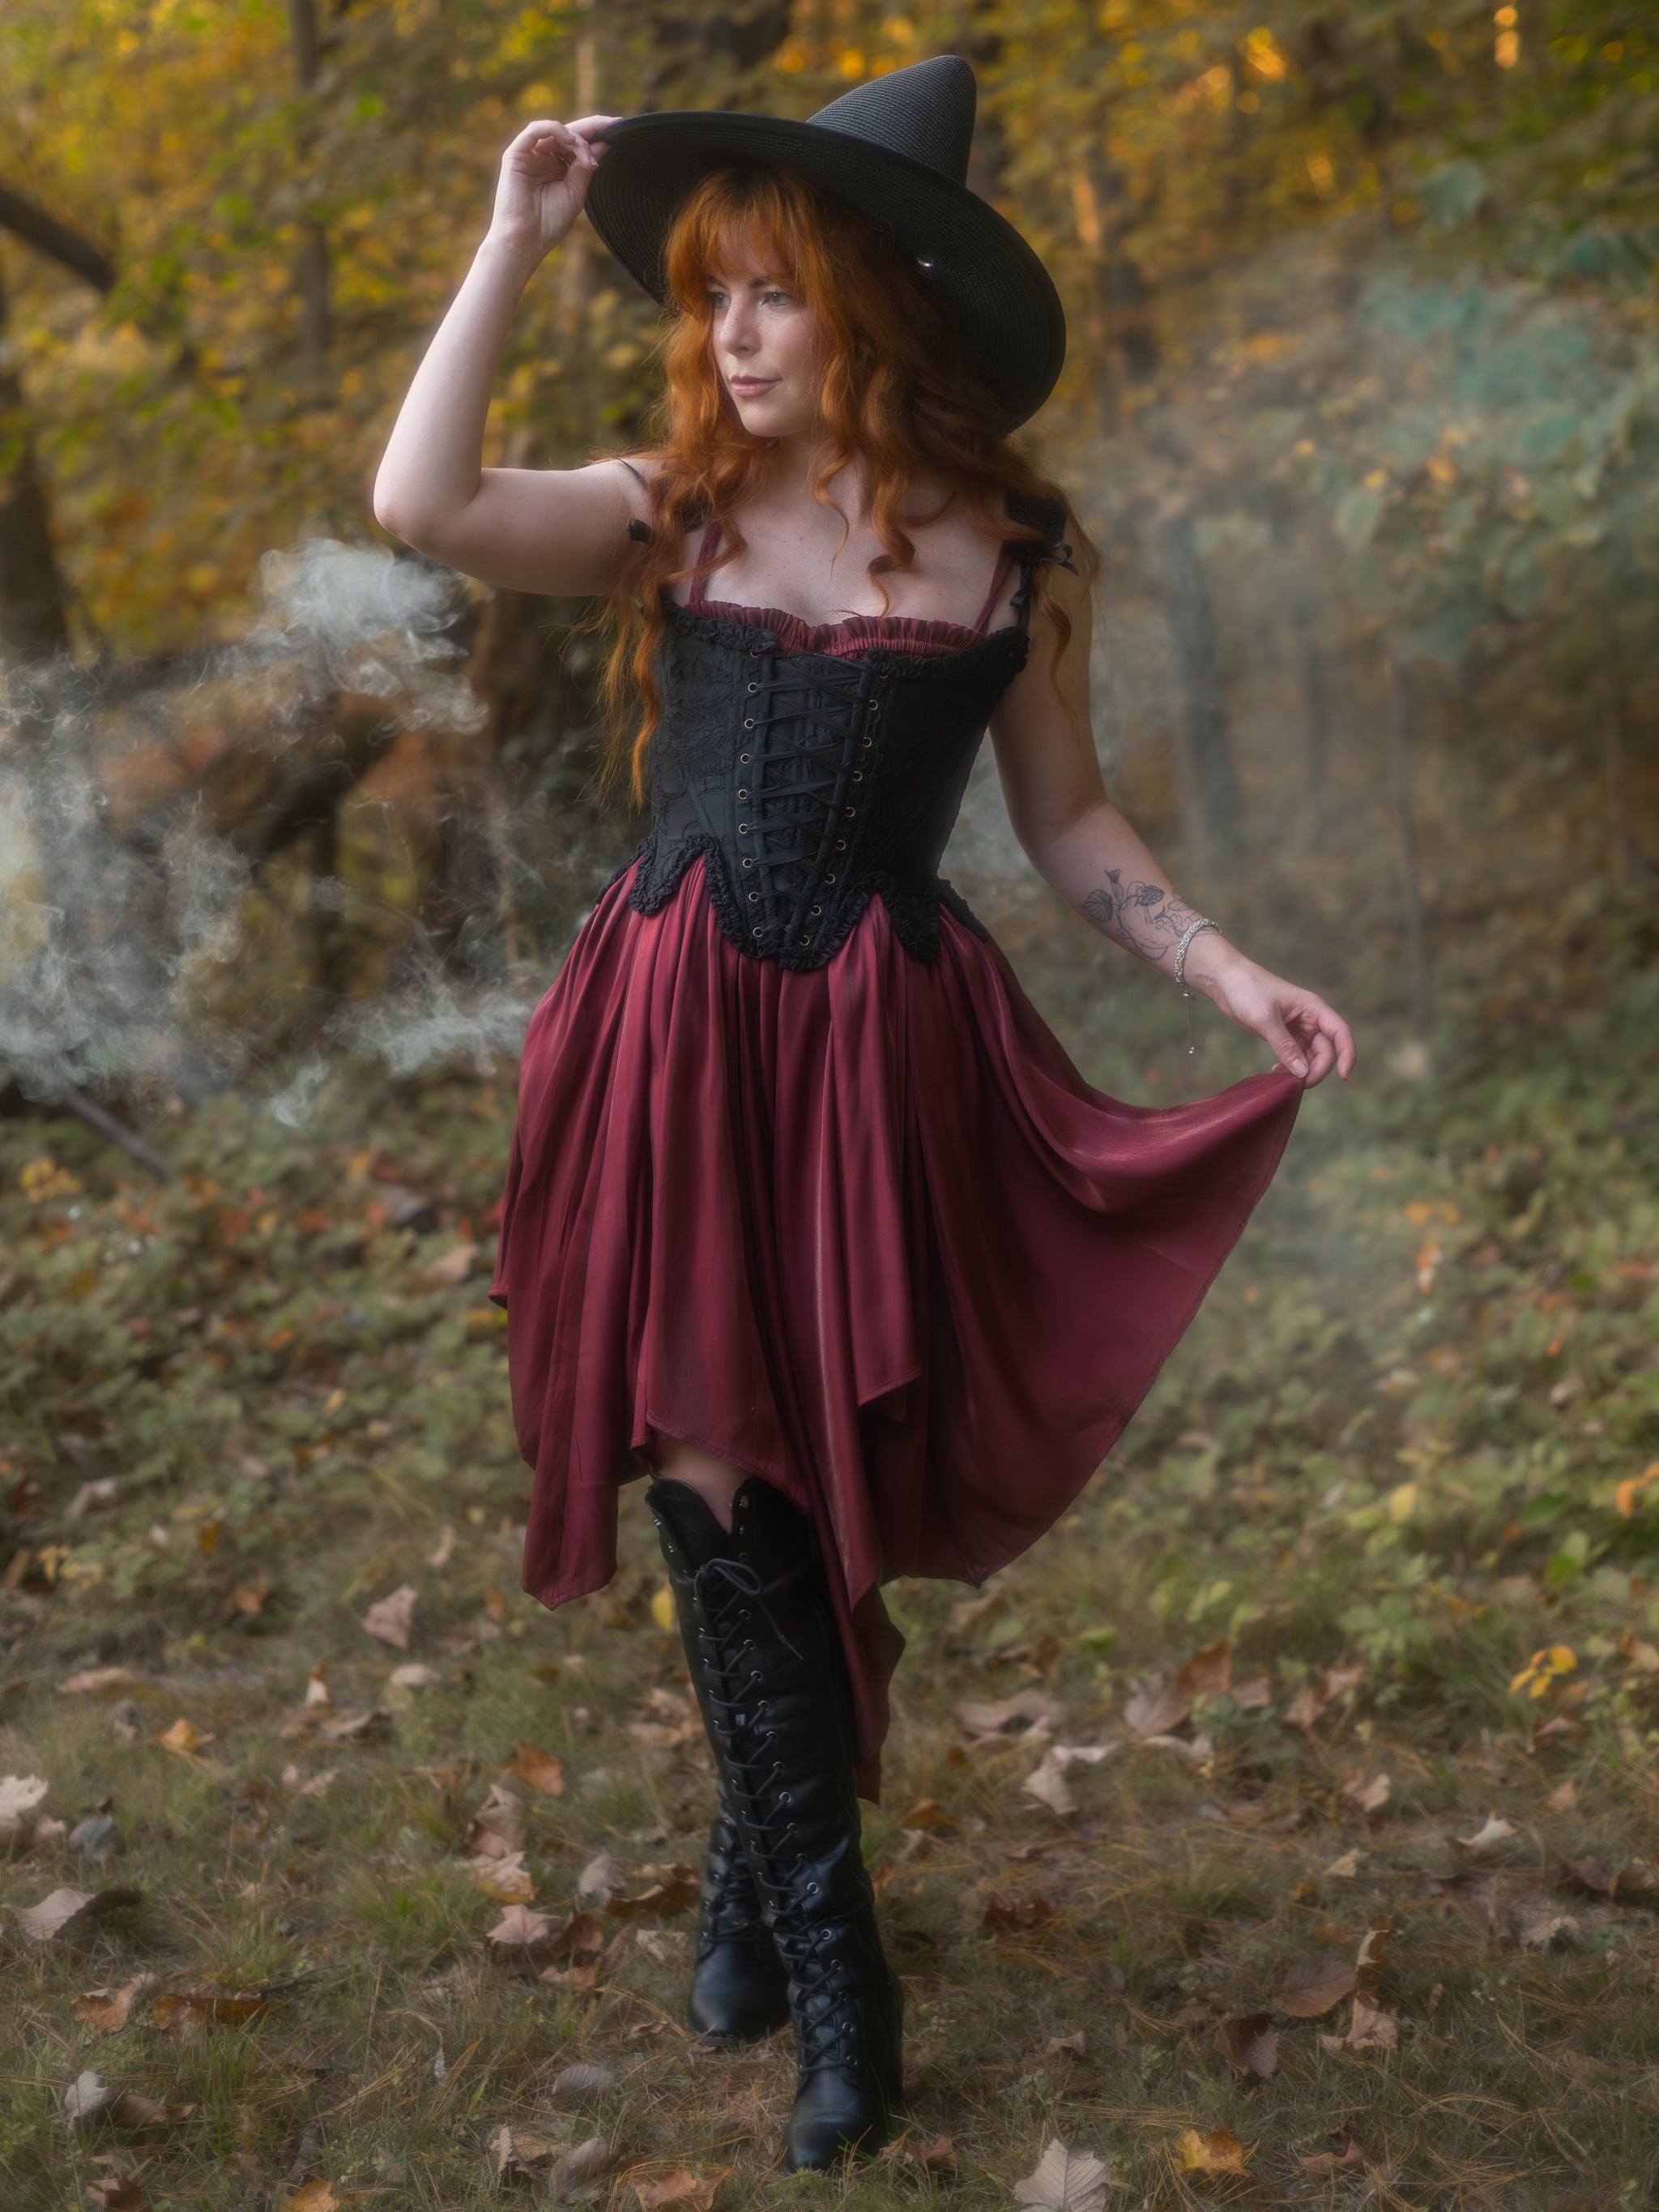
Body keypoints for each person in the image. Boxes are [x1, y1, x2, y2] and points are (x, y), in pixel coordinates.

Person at [371, 53, 1355, 2174]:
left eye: (772, 293)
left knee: (810, 1480)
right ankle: (841, 1965)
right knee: (717, 1478)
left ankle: (747, 1866)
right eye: (712, 290)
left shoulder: (1015, 555)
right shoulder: (675, 509)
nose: (728, 331)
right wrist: (511, 237)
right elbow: (420, 507)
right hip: (676, 1027)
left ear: (877, 305)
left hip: (872, 1058)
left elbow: (1070, 821)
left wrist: (1224, 968)